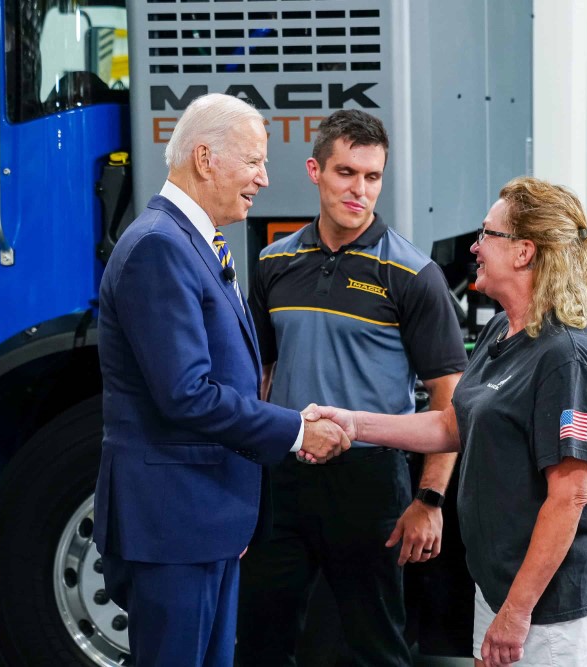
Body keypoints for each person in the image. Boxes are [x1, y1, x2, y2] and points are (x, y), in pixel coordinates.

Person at [308, 176, 587, 667]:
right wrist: (352, 423)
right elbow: (452, 426)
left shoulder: (567, 356)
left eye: (487, 234)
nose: (475, 247)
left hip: (546, 607)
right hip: (498, 588)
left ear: (523, 252)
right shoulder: (503, 329)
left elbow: (571, 496)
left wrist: (516, 613)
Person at [92, 93, 349, 667]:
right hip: (173, 524)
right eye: (254, 161)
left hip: (202, 518)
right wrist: (293, 430)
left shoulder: (192, 241)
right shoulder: (160, 247)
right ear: (205, 158)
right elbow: (186, 393)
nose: (263, 177)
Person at [236, 109, 468, 666]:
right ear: (316, 171)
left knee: (375, 648)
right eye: (346, 173)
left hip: (370, 485)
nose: (359, 190)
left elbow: (450, 400)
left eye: (372, 177)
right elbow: (260, 376)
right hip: (285, 476)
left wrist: (430, 500)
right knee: (261, 641)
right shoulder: (273, 262)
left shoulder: (412, 274)